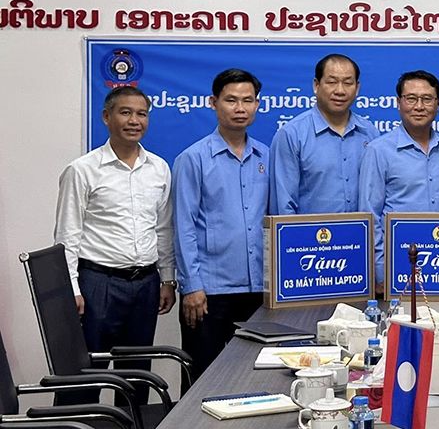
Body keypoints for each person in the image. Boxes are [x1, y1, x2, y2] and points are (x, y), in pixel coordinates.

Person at [54, 85, 176, 403]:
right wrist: (73, 288)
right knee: (84, 373)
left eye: (141, 114)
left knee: (137, 374)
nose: (134, 120)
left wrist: (167, 279)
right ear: (107, 117)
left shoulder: (159, 169)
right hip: (97, 283)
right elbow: (67, 235)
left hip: (145, 283)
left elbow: (163, 229)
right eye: (125, 112)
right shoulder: (82, 170)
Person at [172, 69, 268, 386]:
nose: (239, 108)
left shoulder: (267, 157)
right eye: (231, 100)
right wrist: (191, 286)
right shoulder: (193, 159)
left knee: (256, 380)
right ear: (214, 103)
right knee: (203, 381)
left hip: (259, 291)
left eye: (247, 100)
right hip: (209, 293)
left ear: (257, 105)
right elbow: (184, 226)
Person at [358, 70, 439, 286]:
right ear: (398, 103)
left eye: (427, 99)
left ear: (438, 104)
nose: (419, 106)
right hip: (396, 264)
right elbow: (370, 215)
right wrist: (380, 271)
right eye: (411, 98)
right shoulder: (379, 150)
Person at [269, 53, 379, 215]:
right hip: (308, 238)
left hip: (361, 237)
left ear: (357, 88)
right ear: (316, 85)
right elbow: (283, 206)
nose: (340, 90)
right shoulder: (292, 135)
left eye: (348, 83)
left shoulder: (370, 133)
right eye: (332, 82)